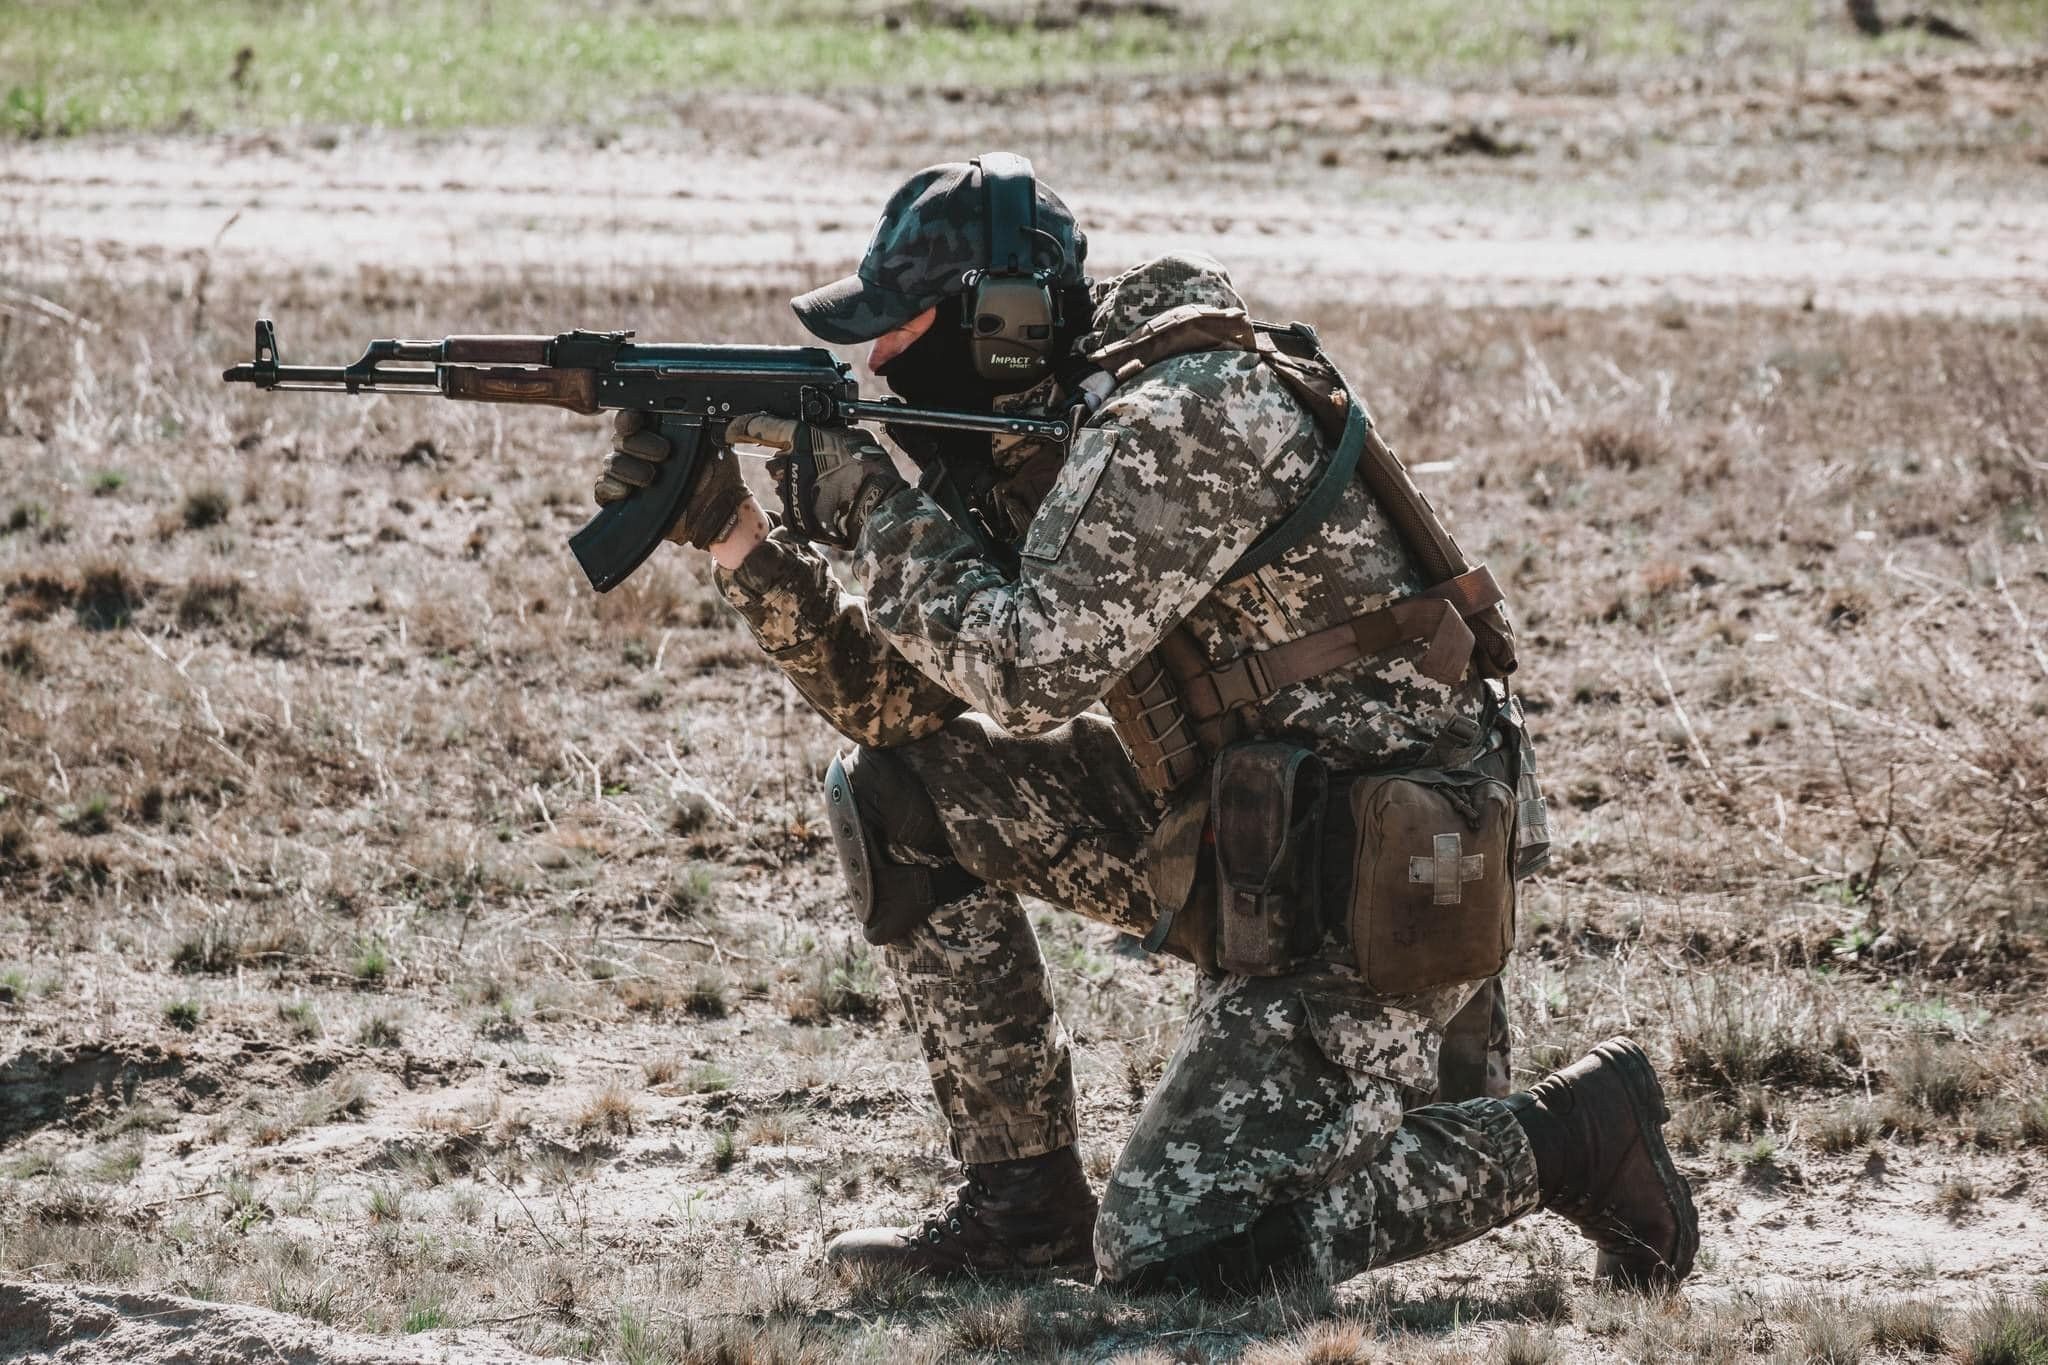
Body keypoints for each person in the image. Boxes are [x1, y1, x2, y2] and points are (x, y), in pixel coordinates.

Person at [591, 155, 1698, 1294]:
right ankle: (1021, 1213)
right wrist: (735, 538)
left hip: (1375, 891)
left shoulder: (1185, 417)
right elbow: (901, 704)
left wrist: (869, 505)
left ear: (1002, 325)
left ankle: (1576, 1135)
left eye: (900, 329)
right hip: (1251, 837)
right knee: (898, 791)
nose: (874, 364)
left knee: (1173, 1251)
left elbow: (1026, 674)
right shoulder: (1053, 422)